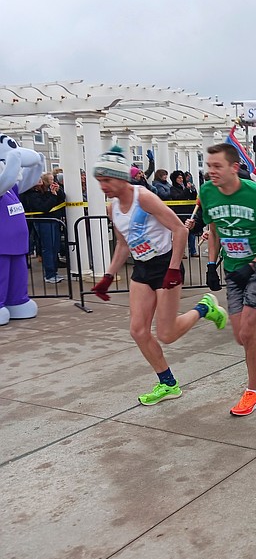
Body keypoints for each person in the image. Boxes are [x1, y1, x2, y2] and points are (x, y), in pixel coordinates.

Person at [89, 146, 228, 405]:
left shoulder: (145, 198)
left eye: (106, 180)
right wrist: (107, 277)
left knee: (167, 334)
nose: (102, 186)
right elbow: (122, 244)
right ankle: (168, 383)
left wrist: (174, 269)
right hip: (142, 269)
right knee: (138, 331)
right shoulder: (113, 208)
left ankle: (204, 307)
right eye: (99, 181)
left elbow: (180, 230)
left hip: (166, 265)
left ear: (120, 177)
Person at [201, 143, 256, 416]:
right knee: (240, 337)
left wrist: (253, 265)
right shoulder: (207, 192)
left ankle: (253, 391)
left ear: (234, 167)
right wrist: (212, 264)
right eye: (208, 165)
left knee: (248, 333)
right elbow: (214, 231)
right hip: (233, 270)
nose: (211, 171)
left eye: (217, 166)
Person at [21, 172, 65, 283]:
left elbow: (61, 199)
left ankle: (53, 272)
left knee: (54, 247)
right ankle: (49, 274)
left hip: (52, 221)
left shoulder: (43, 191)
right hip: (43, 222)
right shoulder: (31, 194)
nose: (39, 179)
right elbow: (44, 207)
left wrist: (57, 191)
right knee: (48, 248)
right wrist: (53, 195)